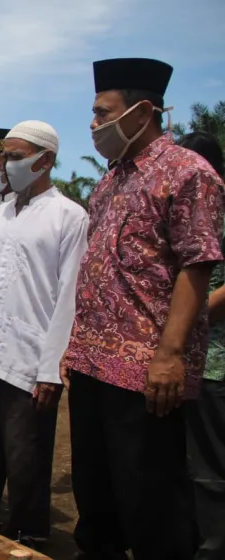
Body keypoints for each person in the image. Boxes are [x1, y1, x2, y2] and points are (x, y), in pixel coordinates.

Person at [65, 58, 225, 560]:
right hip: (92, 363)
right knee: (96, 495)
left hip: (144, 369)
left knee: (150, 500)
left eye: (102, 112)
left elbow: (195, 267)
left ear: (142, 112)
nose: (93, 124)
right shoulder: (111, 178)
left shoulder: (187, 172)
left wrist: (170, 354)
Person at [0, 121, 88, 548]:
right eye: (6, 156)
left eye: (15, 157)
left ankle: (29, 535)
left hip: (29, 357)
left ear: (45, 159)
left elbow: (68, 296)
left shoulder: (69, 217)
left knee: (25, 453)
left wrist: (51, 368)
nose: (7, 166)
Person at [178, 131, 225, 560]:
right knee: (180, 461)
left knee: (209, 466)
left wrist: (187, 319)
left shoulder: (218, 211)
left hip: (213, 363)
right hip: (179, 361)